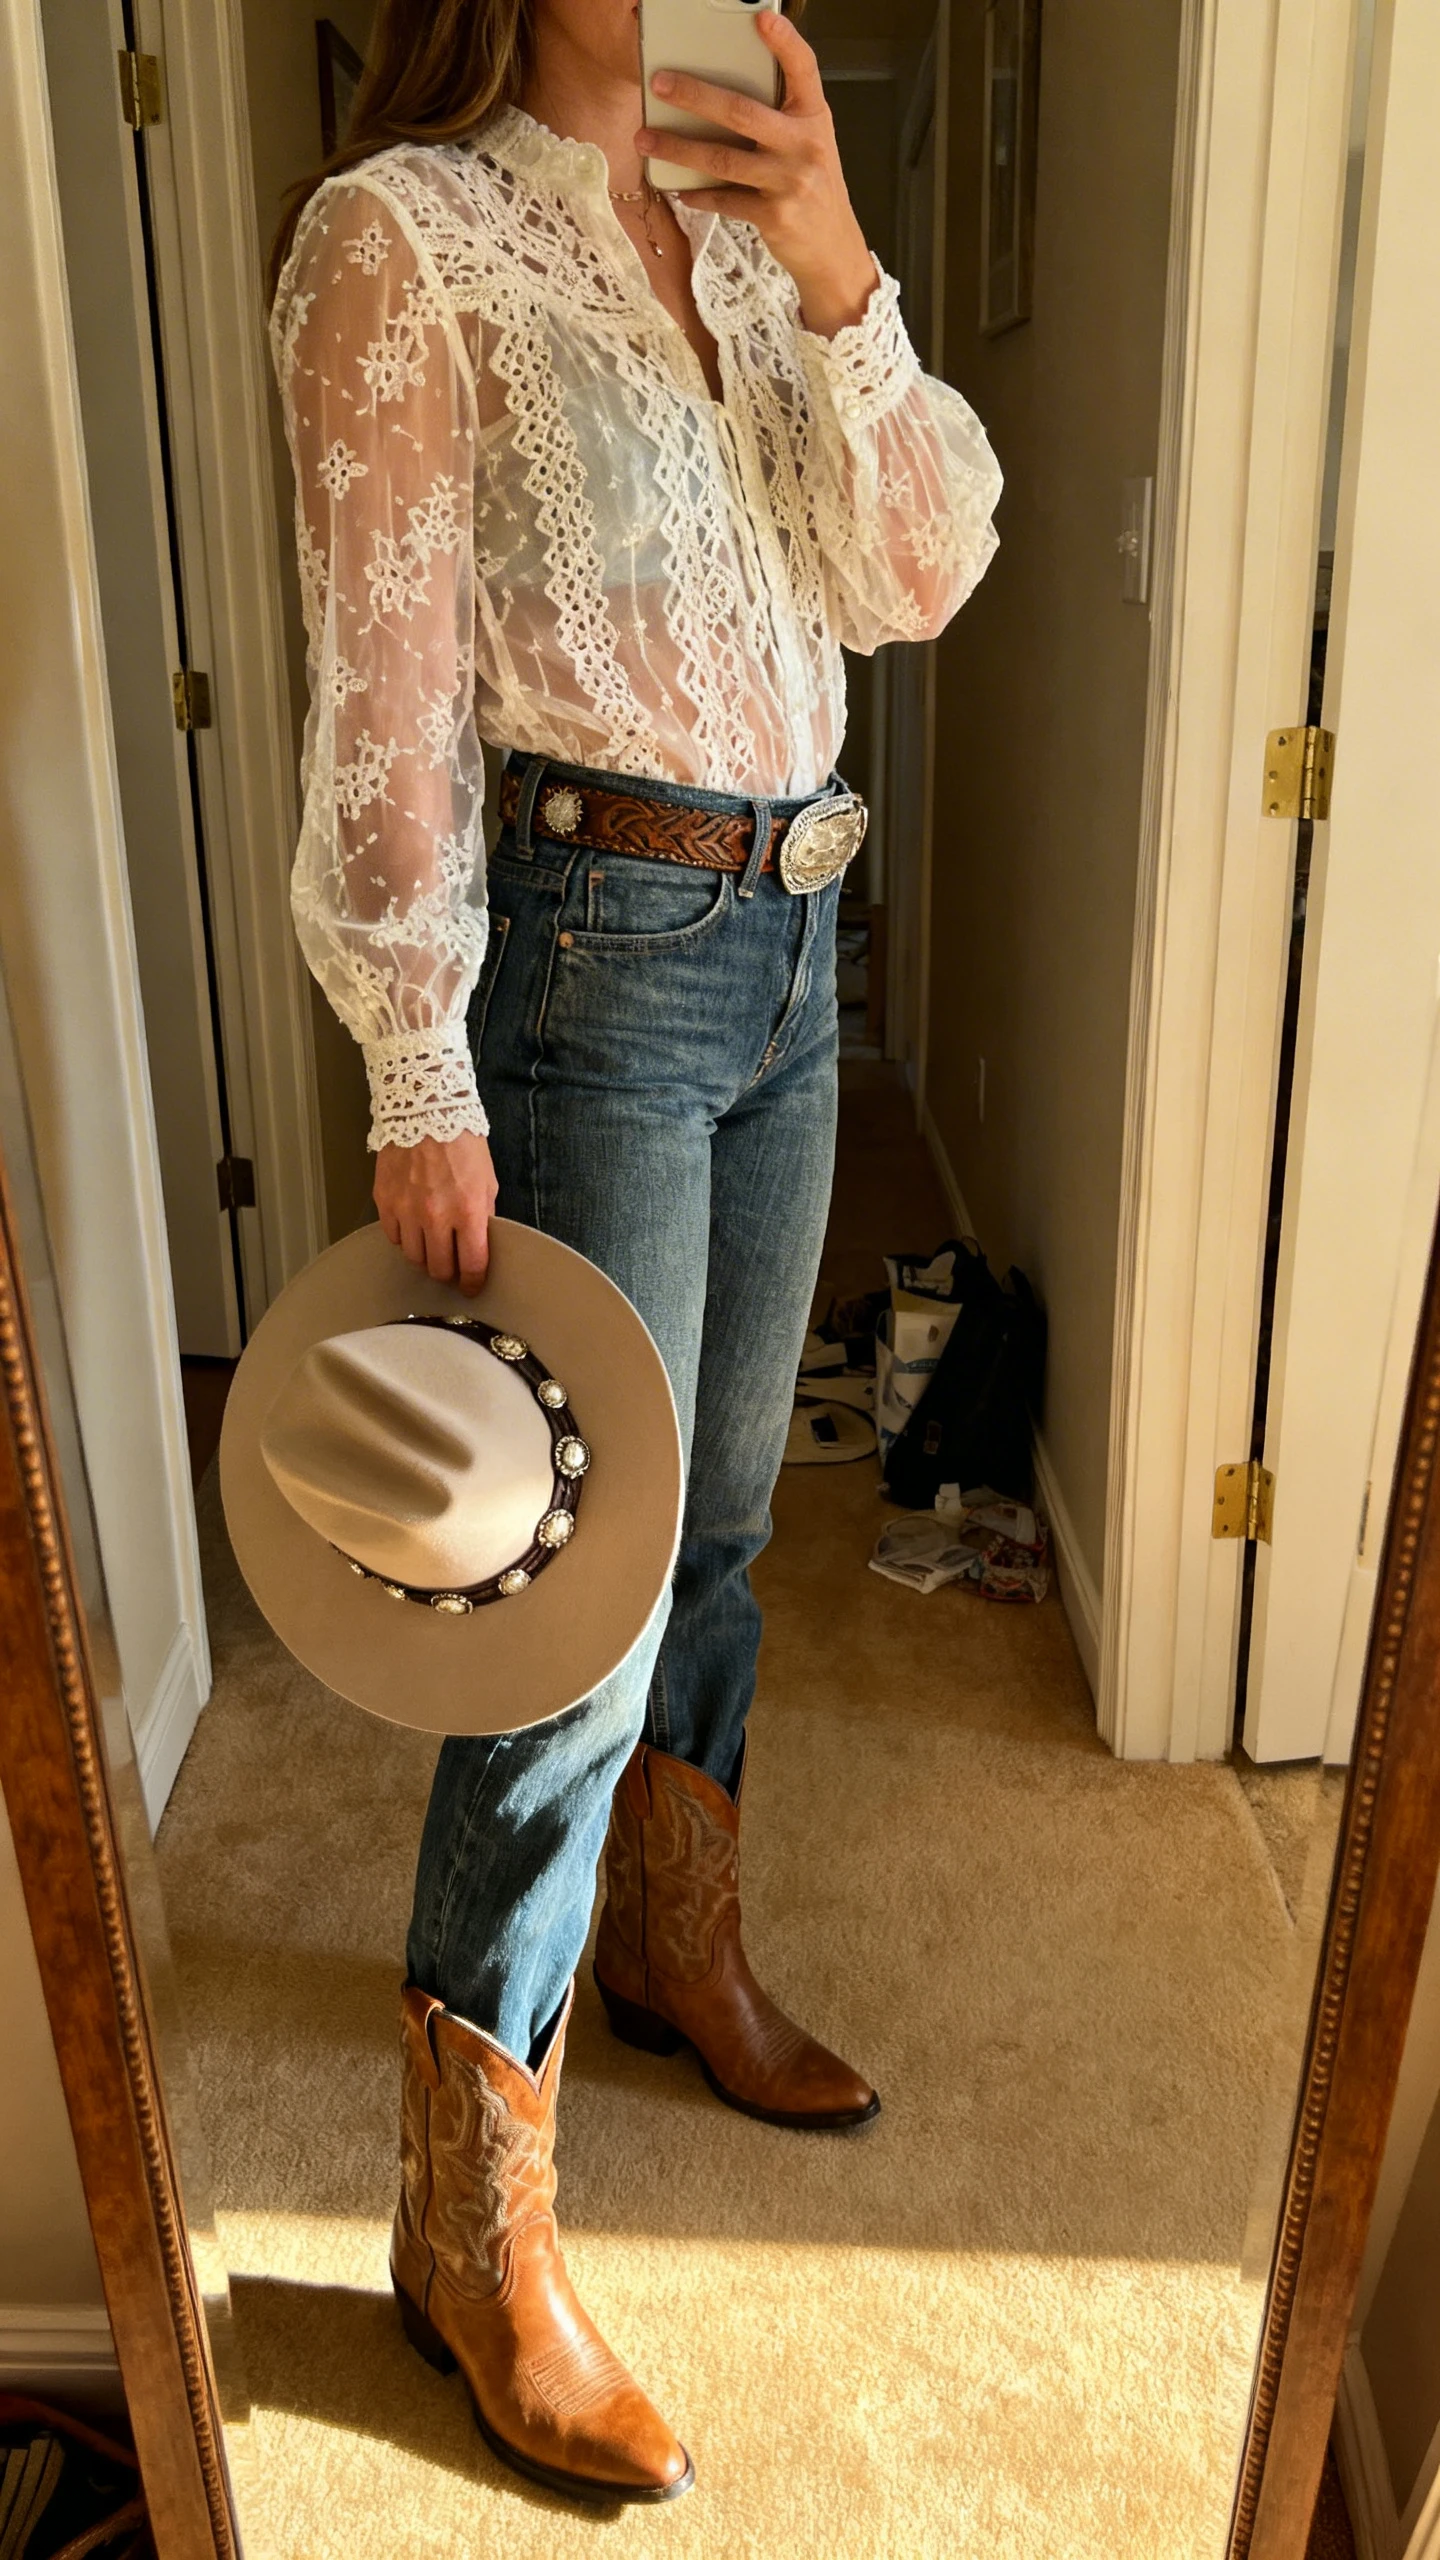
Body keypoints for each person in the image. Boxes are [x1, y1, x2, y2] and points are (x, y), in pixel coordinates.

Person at [270, 0, 1000, 2506]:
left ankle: (678, 1945)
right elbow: (376, 678)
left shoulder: (748, 236)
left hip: (805, 943)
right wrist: (419, 1054)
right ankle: (466, 2218)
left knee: (721, 1527)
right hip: (594, 947)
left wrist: (828, 253)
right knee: (558, 1597)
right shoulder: (406, 241)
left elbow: (916, 575)